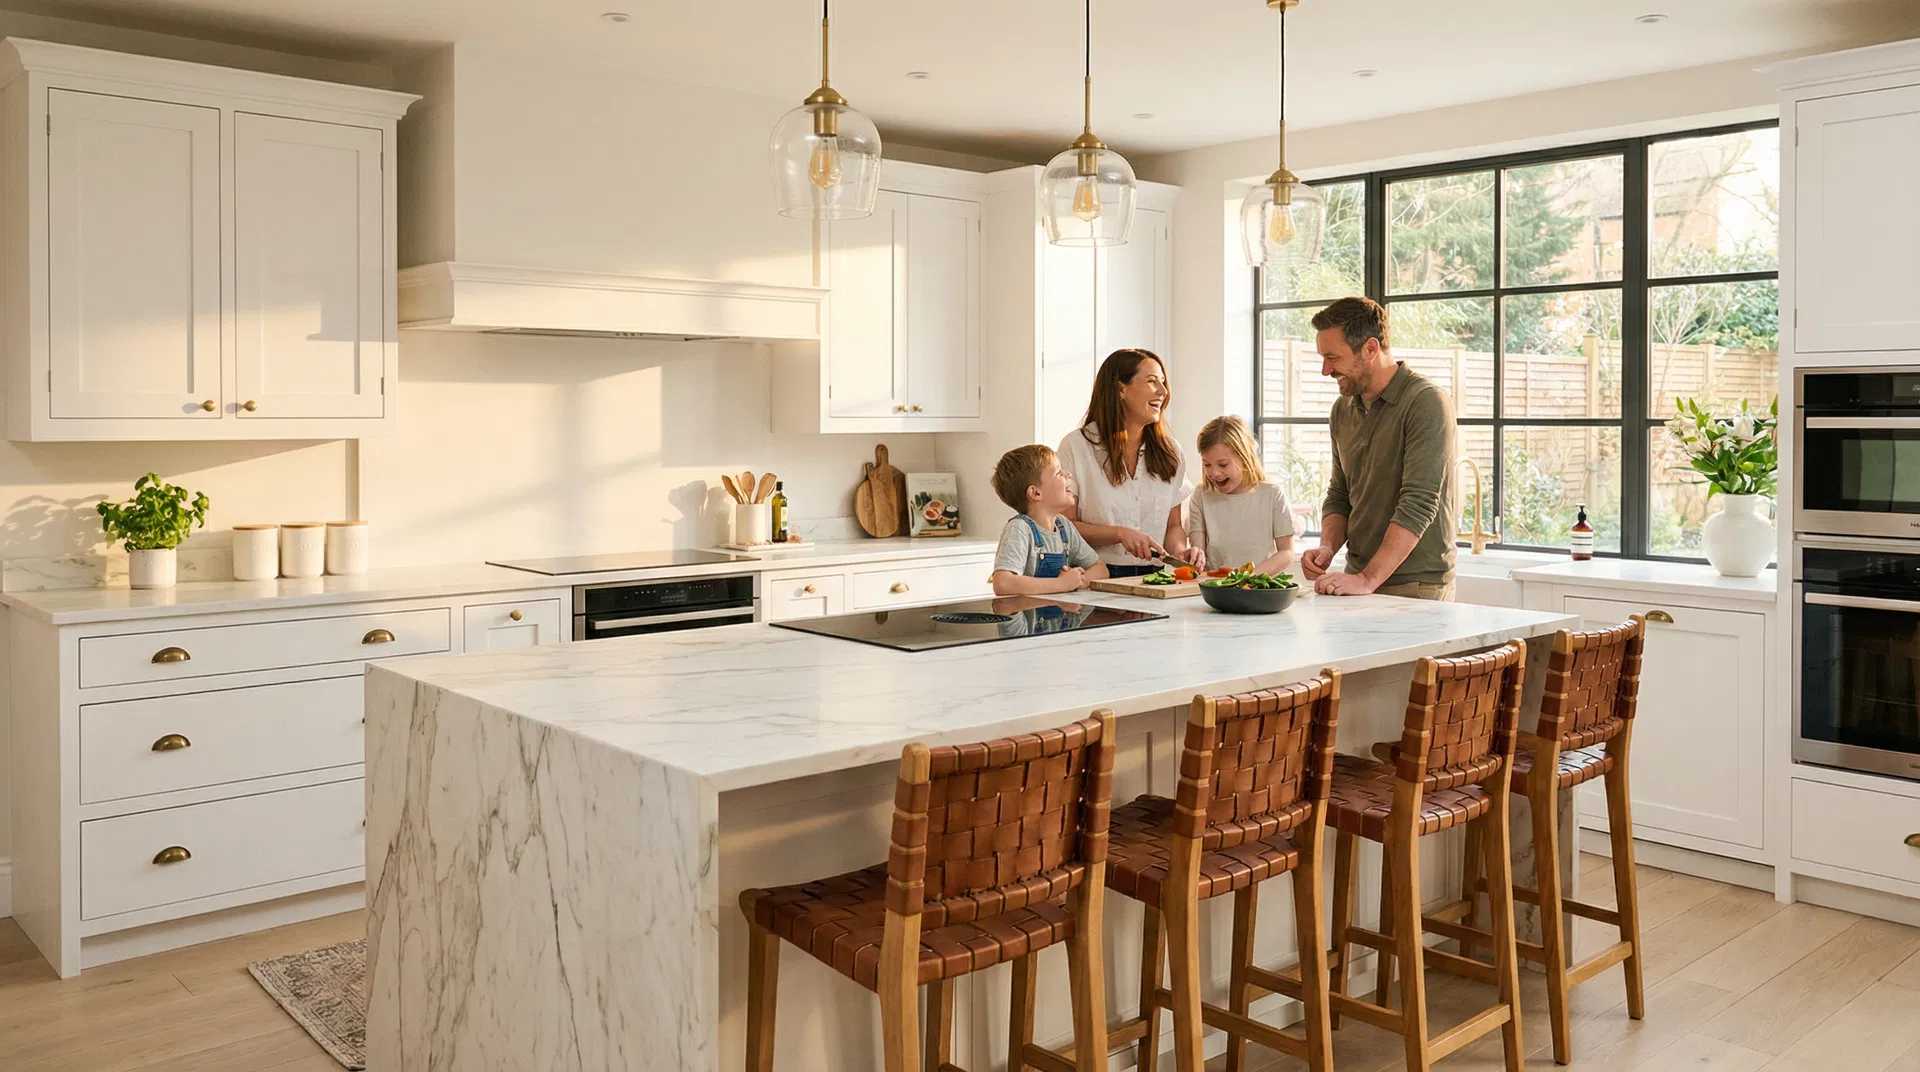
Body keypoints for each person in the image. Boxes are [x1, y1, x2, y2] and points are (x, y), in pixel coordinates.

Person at [1299, 296, 1458, 600]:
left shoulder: (1426, 402)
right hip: (1356, 579)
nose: (1325, 370)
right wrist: (1328, 547)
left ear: (1370, 349)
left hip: (1416, 586)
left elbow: (1419, 503)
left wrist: (1368, 579)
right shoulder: (1342, 409)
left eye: (1333, 357)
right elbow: (1340, 492)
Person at [1057, 349, 1194, 578]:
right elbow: (1064, 526)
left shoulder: (1171, 452)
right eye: (1152, 382)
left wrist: (1182, 554)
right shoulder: (1076, 447)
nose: (1163, 391)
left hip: (1155, 580)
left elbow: (1173, 527)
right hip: (1096, 579)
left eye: (1163, 382)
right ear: (1121, 389)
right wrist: (1118, 533)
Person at [988, 443, 1110, 597]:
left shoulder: (1063, 526)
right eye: (1059, 473)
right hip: (1029, 618)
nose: (1068, 475)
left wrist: (1081, 580)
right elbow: (1003, 583)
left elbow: (1101, 569)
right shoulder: (1019, 528)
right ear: (1036, 493)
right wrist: (1061, 584)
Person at [1187, 415, 1296, 575]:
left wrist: (1248, 577)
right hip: (1214, 588)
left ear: (1245, 458)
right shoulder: (1200, 496)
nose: (1214, 473)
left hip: (1257, 589)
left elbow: (1286, 552)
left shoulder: (1272, 494)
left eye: (1223, 464)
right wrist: (1195, 555)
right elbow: (1198, 549)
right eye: (1207, 465)